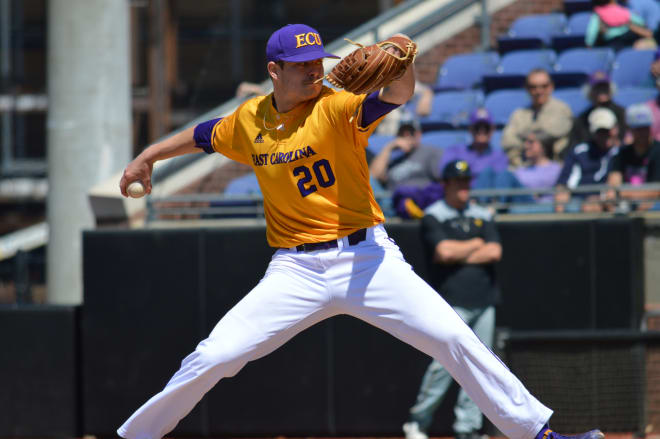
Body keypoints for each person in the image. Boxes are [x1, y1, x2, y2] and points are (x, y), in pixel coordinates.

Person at [117, 23, 603, 439]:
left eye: (317, 60)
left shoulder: (337, 106)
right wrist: (146, 157)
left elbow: (398, 95)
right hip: (295, 270)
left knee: (452, 337)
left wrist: (401, 62)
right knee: (216, 355)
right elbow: (204, 134)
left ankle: (540, 433)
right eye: (302, 63)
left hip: (367, 259)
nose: (315, 69)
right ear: (274, 71)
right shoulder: (250, 120)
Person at [402, 160, 501, 439]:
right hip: (450, 300)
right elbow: (443, 252)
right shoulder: (434, 215)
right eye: (458, 182)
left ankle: (467, 427)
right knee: (444, 363)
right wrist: (476, 244)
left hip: (484, 299)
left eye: (467, 181)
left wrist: (464, 251)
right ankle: (418, 421)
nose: (464, 186)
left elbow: (494, 251)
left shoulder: (482, 213)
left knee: (480, 365)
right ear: (446, 184)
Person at [501, 69, 573, 167]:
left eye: (544, 86)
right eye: (533, 87)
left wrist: (524, 136)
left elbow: (551, 133)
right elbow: (508, 141)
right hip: (524, 167)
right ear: (527, 88)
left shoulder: (561, 109)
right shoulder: (519, 114)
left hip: (555, 166)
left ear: (551, 87)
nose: (539, 91)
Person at [555, 107, 620, 212]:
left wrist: (603, 199)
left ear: (615, 130)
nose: (604, 135)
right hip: (580, 200)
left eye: (607, 131)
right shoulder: (579, 152)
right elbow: (563, 186)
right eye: (600, 131)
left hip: (608, 201)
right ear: (593, 132)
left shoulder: (620, 153)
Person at [474, 129, 562, 207]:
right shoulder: (521, 169)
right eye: (525, 142)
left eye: (531, 142)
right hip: (517, 202)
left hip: (537, 205)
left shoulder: (556, 169)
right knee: (487, 171)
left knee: (506, 175)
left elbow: (560, 191)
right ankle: (477, 205)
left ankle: (495, 207)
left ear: (543, 146)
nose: (526, 145)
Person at [605, 103, 660, 210]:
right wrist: (616, 195)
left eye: (645, 127)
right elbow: (613, 184)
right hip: (627, 203)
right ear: (630, 129)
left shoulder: (658, 151)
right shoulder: (622, 153)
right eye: (638, 129)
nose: (642, 133)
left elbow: (656, 190)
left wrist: (623, 193)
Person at [370, 116, 443, 191]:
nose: (407, 136)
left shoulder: (430, 152)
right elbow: (374, 176)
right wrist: (388, 148)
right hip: (393, 199)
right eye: (402, 134)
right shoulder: (393, 157)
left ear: (419, 135)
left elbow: (442, 181)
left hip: (420, 198)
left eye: (411, 133)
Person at [437, 108, 509, 183]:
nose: (482, 131)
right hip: (462, 191)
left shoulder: (500, 156)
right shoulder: (455, 152)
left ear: (492, 129)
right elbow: (444, 173)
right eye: (477, 127)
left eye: (486, 127)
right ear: (470, 129)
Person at [568, 71, 627, 149]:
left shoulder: (622, 114)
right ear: (590, 91)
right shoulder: (583, 119)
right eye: (598, 87)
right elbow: (575, 144)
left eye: (604, 87)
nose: (601, 90)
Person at [585, 0, 653, 50]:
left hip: (612, 43)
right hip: (628, 40)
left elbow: (591, 32)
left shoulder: (597, 14)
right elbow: (640, 21)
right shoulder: (622, 10)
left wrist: (589, 45)